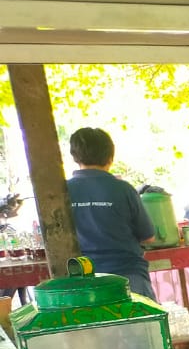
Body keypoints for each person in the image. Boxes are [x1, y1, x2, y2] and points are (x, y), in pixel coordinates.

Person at [65, 127, 155, 298]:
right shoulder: (123, 189)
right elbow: (148, 237)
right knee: (141, 324)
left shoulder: (61, 192)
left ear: (74, 157)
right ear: (110, 158)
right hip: (128, 277)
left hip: (82, 281)